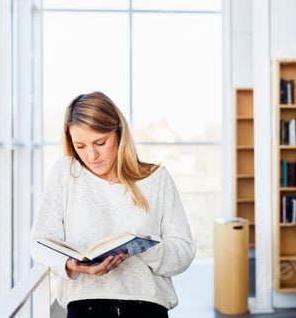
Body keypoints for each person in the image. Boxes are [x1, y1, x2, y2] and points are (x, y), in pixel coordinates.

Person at [30, 91, 196, 318]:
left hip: (146, 306)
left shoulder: (157, 179)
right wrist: (73, 265)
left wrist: (147, 248)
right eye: (80, 146)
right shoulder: (66, 173)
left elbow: (184, 252)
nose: (91, 155)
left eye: (100, 142)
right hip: (85, 305)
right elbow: (38, 243)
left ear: (119, 133)